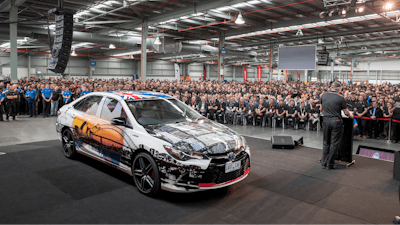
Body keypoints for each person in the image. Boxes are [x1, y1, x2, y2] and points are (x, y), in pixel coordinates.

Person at [320, 82, 353, 170]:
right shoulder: (340, 98)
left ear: (331, 87)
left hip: (326, 120)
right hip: (336, 121)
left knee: (326, 142)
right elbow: (346, 112)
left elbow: (321, 109)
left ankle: (324, 162)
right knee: (334, 143)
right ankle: (330, 164)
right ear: (338, 89)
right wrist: (350, 115)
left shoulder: (323, 95)